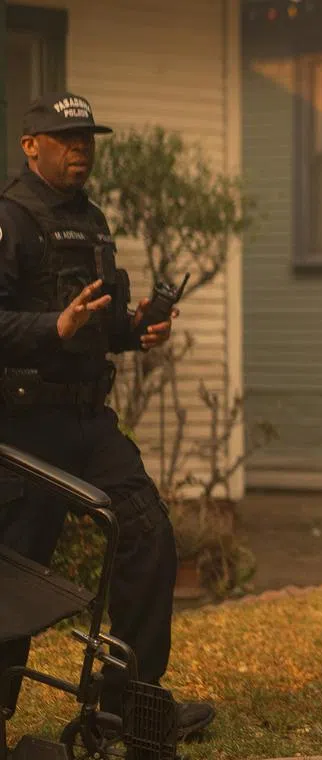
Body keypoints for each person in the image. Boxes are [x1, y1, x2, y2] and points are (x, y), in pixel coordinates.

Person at [0, 92, 215, 738]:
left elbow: (91, 325)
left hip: (88, 422)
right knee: (16, 577)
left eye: (87, 137)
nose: (82, 148)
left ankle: (125, 706)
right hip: (23, 424)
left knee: (149, 536)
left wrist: (130, 329)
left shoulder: (91, 221)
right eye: (67, 138)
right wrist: (53, 327)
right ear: (30, 145)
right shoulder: (9, 220)